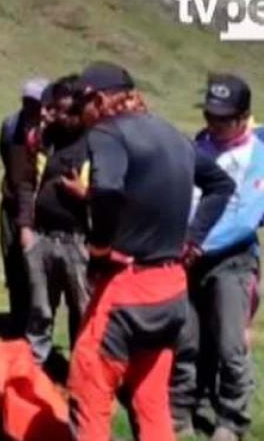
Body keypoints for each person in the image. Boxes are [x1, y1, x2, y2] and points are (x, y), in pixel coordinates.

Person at [67, 62, 234, 441]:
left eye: (81, 106)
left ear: (98, 99)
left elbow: (107, 189)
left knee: (88, 390)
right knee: (150, 398)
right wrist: (193, 239)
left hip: (127, 290)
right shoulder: (173, 134)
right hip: (172, 291)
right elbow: (220, 185)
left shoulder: (107, 132)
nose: (80, 116)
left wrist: (98, 249)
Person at [170, 74, 263, 441]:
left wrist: (196, 246)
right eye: (209, 116)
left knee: (229, 345)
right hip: (188, 256)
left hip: (231, 261)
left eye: (223, 118)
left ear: (243, 118)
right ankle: (182, 410)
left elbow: (246, 218)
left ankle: (231, 420)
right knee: (187, 339)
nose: (214, 124)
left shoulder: (258, 155)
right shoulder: (199, 144)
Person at [21, 75, 91, 364]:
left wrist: (85, 195)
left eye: (70, 110)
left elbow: (115, 194)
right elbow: (26, 182)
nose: (63, 116)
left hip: (78, 241)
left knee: (84, 314)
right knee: (39, 311)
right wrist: (26, 229)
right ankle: (33, 376)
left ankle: (81, 378)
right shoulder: (45, 139)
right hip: (42, 238)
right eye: (58, 109)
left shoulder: (97, 143)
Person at [0, 78, 48, 334]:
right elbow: (7, 158)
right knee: (13, 262)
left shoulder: (52, 129)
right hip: (11, 203)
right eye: (27, 101)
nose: (31, 106)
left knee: (37, 267)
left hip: (41, 207)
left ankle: (37, 324)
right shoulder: (10, 126)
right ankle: (18, 322)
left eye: (36, 102)